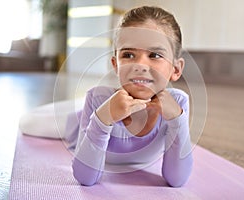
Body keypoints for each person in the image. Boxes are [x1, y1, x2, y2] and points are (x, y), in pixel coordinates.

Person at [20, 6, 193, 187]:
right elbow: (86, 178)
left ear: (176, 69)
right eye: (128, 54)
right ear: (116, 64)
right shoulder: (98, 99)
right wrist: (102, 118)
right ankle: (80, 108)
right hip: (79, 123)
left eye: (155, 55)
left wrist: (177, 119)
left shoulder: (178, 103)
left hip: (102, 103)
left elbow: (177, 179)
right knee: (28, 123)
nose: (140, 65)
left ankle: (79, 105)